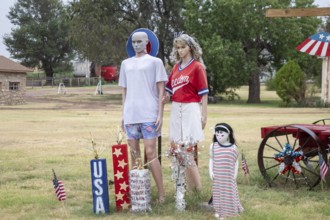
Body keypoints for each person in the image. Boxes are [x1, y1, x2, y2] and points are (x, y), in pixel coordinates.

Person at [118, 30, 167, 203]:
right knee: (134, 154)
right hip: (131, 114)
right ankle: (138, 193)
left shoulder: (156, 62)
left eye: (140, 41)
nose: (136, 44)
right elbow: (124, 90)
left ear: (147, 42)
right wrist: (123, 114)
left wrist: (160, 113)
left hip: (149, 113)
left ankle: (161, 193)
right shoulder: (125, 64)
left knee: (151, 152)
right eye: (134, 42)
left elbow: (161, 89)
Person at [164, 34, 208, 190]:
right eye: (178, 47)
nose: (180, 50)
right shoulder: (176, 67)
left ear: (190, 47)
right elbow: (169, 90)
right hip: (176, 108)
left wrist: (204, 115)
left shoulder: (197, 67)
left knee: (187, 150)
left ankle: (197, 189)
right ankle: (185, 187)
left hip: (191, 108)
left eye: (183, 47)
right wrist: (164, 97)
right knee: (176, 148)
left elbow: (204, 93)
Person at [209, 123, 244, 219]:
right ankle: (218, 210)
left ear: (228, 134)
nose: (219, 137)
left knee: (229, 192)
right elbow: (211, 159)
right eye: (217, 134)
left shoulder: (233, 148)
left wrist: (235, 174)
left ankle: (230, 210)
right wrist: (211, 171)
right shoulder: (213, 146)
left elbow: (236, 161)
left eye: (222, 134)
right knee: (217, 192)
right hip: (218, 175)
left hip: (228, 175)